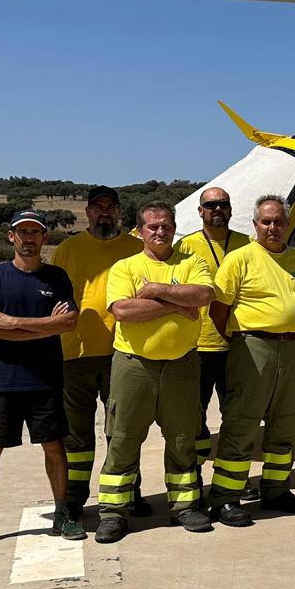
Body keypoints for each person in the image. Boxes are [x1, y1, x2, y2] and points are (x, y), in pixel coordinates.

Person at [0, 210, 80, 551]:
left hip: (45, 379)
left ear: (44, 238)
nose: (29, 238)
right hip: (0, 380)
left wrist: (12, 322)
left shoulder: (57, 277)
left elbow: (69, 323)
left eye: (35, 232)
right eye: (22, 232)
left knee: (54, 447)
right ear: (11, 237)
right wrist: (44, 326)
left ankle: (62, 513)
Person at [97, 201, 217, 543]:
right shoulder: (126, 266)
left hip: (182, 364)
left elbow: (204, 294)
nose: (160, 231)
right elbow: (123, 310)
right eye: (153, 227)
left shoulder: (192, 262)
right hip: (134, 365)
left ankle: (185, 507)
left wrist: (155, 291)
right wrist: (178, 304)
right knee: (123, 438)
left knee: (182, 438)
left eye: (166, 225)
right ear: (140, 231)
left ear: (174, 226)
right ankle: (113, 513)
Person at [209, 194, 295, 523]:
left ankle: (276, 488)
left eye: (279, 222)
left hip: (291, 348)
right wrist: (244, 339)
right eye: (266, 222)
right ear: (255, 224)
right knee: (242, 422)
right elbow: (219, 309)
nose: (273, 227)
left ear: (287, 225)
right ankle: (225, 497)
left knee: (284, 422)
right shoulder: (240, 259)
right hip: (252, 347)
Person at [52, 185, 142, 521]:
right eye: (97, 207)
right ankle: (75, 498)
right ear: (87, 212)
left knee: (122, 428)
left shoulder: (136, 248)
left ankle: (128, 492)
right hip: (75, 353)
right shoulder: (68, 250)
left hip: (124, 351)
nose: (104, 212)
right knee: (77, 432)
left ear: (120, 211)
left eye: (111, 207)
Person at [177, 187, 250, 476]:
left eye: (223, 204)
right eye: (211, 205)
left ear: (231, 209)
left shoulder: (247, 244)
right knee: (194, 414)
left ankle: (232, 477)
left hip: (239, 342)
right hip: (199, 345)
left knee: (237, 415)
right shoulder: (185, 247)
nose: (217, 209)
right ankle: (193, 472)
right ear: (200, 211)